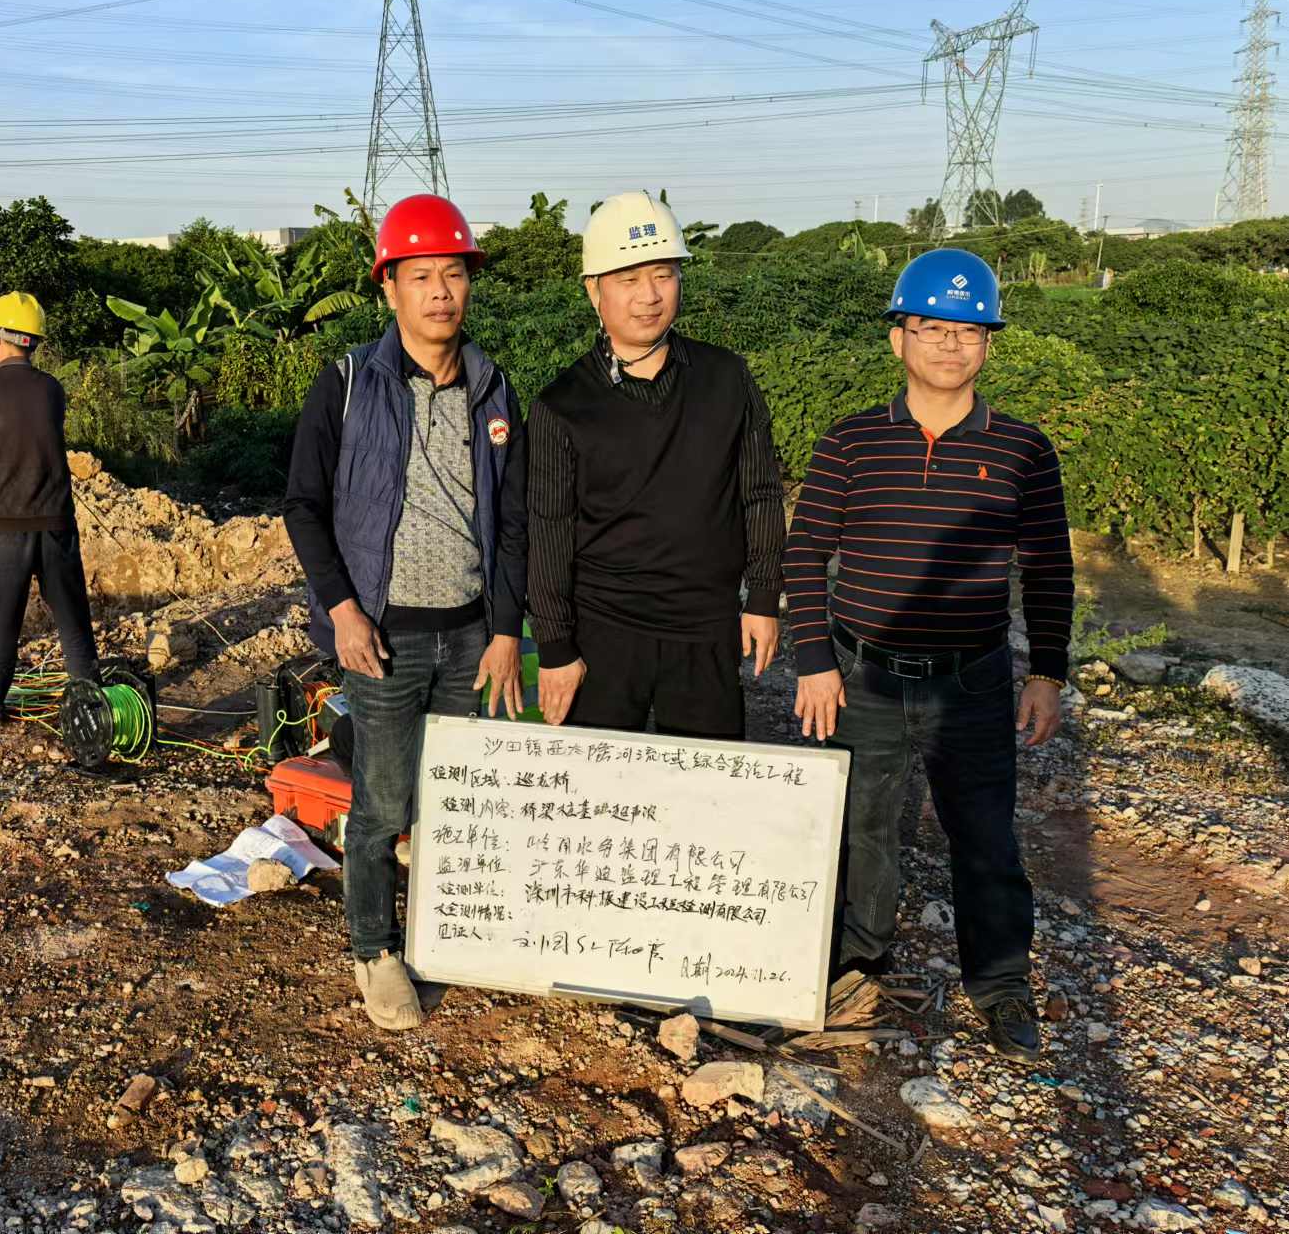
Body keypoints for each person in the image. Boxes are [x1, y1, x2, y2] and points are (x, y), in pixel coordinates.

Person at [782, 248, 1074, 1063]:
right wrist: (815, 660)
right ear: (898, 338)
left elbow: (1049, 566)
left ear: (989, 344)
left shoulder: (1023, 449)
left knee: (984, 835)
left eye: (969, 331)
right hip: (863, 676)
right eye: (932, 328)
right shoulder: (852, 441)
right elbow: (805, 552)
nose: (951, 344)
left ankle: (1002, 983)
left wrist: (1047, 671)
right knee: (862, 825)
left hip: (971, 681)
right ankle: (858, 961)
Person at [283, 194, 528, 1032]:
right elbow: (304, 504)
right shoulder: (349, 381)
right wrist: (344, 611)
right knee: (383, 802)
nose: (440, 292)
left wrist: (506, 629)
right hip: (383, 635)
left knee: (453, 797)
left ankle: (439, 931)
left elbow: (513, 521)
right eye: (420, 276)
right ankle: (375, 950)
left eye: (452, 273)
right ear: (389, 287)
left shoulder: (494, 388)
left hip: (470, 633)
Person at [528, 190, 785, 737]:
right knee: (596, 781)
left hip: (705, 624)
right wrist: (554, 646)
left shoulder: (726, 378)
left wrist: (763, 597)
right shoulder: (562, 404)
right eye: (628, 279)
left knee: (705, 777)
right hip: (602, 628)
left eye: (663, 275)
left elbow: (761, 492)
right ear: (594, 290)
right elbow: (548, 529)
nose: (649, 295)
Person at [0, 291, 99, 728]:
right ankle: (92, 705)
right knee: (73, 620)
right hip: (56, 525)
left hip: (1, 531)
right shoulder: (52, 389)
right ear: (34, 342)